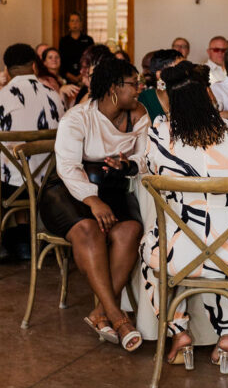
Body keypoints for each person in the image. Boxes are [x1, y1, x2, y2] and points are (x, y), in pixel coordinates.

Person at [142, 61, 228, 371]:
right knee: (225, 253)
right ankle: (227, 336)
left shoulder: (161, 135)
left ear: (170, 98)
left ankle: (179, 332)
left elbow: (153, 175)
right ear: (208, 94)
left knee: (150, 255)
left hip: (178, 257)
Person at [40, 57, 148, 351]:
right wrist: (93, 201)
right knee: (89, 227)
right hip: (68, 190)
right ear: (114, 88)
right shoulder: (77, 118)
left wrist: (128, 164)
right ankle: (117, 315)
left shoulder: (138, 114)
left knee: (130, 230)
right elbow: (68, 166)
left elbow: (147, 155)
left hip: (112, 187)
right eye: (133, 83)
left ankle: (100, 312)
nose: (139, 88)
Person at [0, 42, 63, 261]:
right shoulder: (55, 96)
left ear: (6, 70)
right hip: (47, 182)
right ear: (34, 66)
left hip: (10, 187)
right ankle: (21, 239)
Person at [138, 48, 183, 122]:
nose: (185, 72)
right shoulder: (146, 98)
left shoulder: (187, 96)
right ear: (159, 74)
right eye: (179, 69)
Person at [58, 11, 94, 85]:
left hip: (85, 77)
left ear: (81, 23)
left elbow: (92, 59)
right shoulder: (63, 41)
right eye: (72, 21)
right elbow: (61, 60)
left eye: (77, 21)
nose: (75, 23)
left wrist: (82, 75)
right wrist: (70, 76)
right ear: (68, 24)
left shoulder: (88, 40)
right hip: (67, 78)